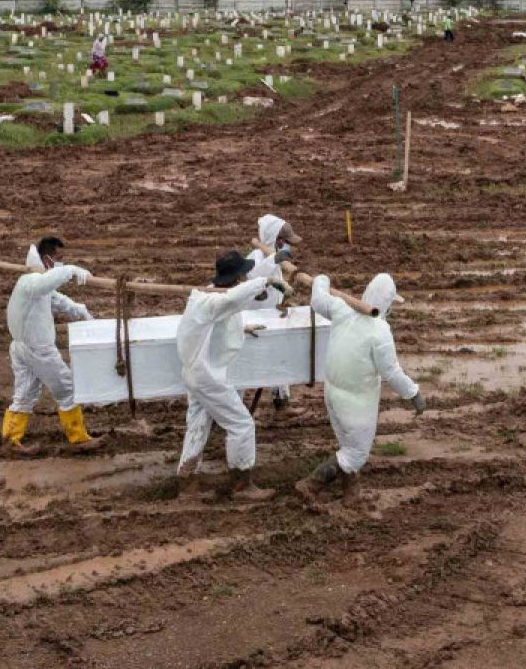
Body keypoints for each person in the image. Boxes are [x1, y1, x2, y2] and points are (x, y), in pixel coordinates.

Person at [295, 273, 424, 505]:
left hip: (331, 393)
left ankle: (351, 493)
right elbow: (391, 373)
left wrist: (321, 280)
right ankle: (311, 483)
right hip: (356, 401)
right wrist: (412, 393)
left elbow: (317, 300)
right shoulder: (380, 331)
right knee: (356, 453)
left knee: (348, 444)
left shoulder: (342, 310)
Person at [176, 251, 294, 501]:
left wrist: (242, 327)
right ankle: (242, 484)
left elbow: (225, 312)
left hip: (195, 372)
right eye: (241, 276)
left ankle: (186, 483)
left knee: (197, 425)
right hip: (207, 376)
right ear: (235, 278)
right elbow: (231, 300)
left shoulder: (206, 294)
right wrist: (267, 281)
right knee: (242, 425)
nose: (243, 280)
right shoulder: (212, 301)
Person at [0, 237, 103, 456]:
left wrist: (80, 310)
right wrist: (71, 271)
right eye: (60, 260)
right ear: (47, 260)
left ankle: (11, 439)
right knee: (67, 390)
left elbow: (57, 299)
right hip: (38, 350)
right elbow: (47, 284)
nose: (62, 264)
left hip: (22, 348)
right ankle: (78, 438)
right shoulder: (31, 282)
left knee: (25, 394)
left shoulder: (33, 285)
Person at [245, 214, 303, 413]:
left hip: (271, 317)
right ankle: (229, 409)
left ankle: (281, 398)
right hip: (254, 320)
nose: (287, 246)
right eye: (285, 242)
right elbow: (253, 277)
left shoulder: (273, 257)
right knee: (245, 363)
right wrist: (274, 260)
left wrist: (284, 291)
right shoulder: (255, 258)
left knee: (278, 356)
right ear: (276, 239)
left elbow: (274, 280)